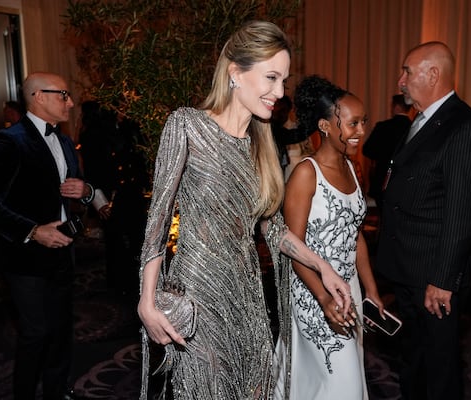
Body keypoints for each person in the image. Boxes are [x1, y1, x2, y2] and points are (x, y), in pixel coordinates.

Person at [136, 21, 353, 400]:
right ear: (235, 71)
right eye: (271, 77)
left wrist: (323, 266)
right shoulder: (186, 125)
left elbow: (272, 229)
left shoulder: (260, 144)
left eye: (283, 80)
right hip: (200, 297)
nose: (279, 92)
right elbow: (157, 222)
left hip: (249, 298)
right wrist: (147, 300)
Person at [375, 42, 471, 400]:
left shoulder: (464, 127)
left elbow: (462, 213)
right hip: (410, 268)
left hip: (434, 278)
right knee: (413, 359)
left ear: (433, 74)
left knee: (440, 369)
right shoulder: (425, 121)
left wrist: (442, 280)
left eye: (407, 72)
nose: (400, 81)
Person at [0, 72, 95, 400]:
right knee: (35, 333)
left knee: (60, 331)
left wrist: (83, 191)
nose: (70, 101)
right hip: (25, 257)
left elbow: (75, 188)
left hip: (63, 252)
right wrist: (32, 231)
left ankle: (57, 392)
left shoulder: (65, 140)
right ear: (38, 96)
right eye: (63, 94)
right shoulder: (9, 140)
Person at [274, 75, 384, 400]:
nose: (361, 131)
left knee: (334, 381)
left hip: (348, 291)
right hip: (314, 293)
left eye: (363, 122)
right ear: (324, 125)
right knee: (344, 383)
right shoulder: (306, 174)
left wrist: (372, 290)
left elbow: (356, 236)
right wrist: (324, 299)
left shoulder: (353, 169)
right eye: (352, 124)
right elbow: (293, 248)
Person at [78, 101, 149, 297]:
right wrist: (99, 199)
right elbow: (92, 170)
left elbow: (140, 159)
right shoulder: (94, 133)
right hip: (110, 195)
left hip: (133, 192)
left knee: (137, 236)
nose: (125, 109)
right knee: (115, 239)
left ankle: (138, 282)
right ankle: (119, 283)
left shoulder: (132, 128)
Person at [362, 94, 412, 210]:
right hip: (406, 184)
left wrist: (383, 156)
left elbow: (367, 150)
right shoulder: (414, 128)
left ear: (397, 107)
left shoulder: (383, 126)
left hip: (382, 181)